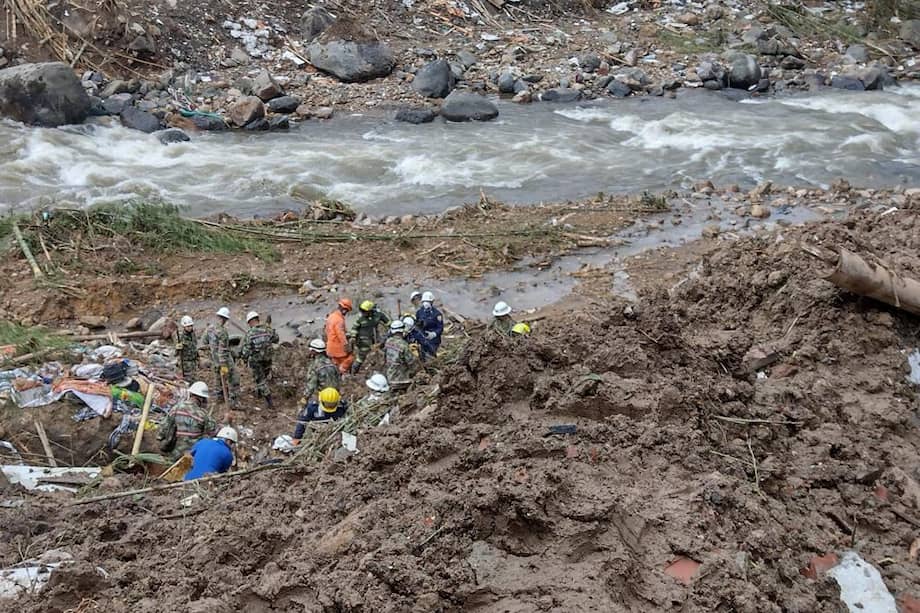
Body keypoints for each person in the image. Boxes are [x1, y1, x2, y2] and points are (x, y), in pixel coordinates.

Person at [158, 381, 218, 459]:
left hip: (176, 454)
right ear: (202, 399)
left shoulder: (176, 408)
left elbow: (163, 430)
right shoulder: (203, 414)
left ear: (190, 394)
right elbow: (213, 432)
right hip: (194, 455)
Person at [240, 311, 279, 409]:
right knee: (264, 376)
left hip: (256, 361)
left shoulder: (250, 334)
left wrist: (244, 359)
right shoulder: (267, 329)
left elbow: (246, 350)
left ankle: (270, 402)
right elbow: (276, 339)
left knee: (260, 380)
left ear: (251, 321)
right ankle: (260, 392)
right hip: (268, 359)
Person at [348, 300, 391, 373]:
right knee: (361, 357)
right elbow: (354, 328)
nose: (363, 313)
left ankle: (384, 367)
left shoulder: (378, 315)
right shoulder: (360, 318)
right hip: (363, 340)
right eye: (363, 311)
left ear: (370, 311)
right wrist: (353, 337)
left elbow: (388, 323)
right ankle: (354, 371)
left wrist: (391, 330)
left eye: (365, 311)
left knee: (384, 349)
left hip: (375, 337)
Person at [208, 307, 239, 407]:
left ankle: (219, 397)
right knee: (234, 378)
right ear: (225, 319)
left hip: (214, 359)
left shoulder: (210, 328)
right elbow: (223, 350)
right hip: (224, 360)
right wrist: (224, 365)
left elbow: (205, 341)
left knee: (218, 379)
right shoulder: (222, 332)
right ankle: (233, 402)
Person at [302, 338, 341, 404]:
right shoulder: (332, 363)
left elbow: (311, 385)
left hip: (324, 396)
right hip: (335, 395)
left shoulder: (316, 366)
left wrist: (305, 397)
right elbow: (338, 379)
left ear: (314, 351)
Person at [384, 319, 418, 387]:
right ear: (402, 331)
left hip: (389, 378)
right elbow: (412, 363)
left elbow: (385, 358)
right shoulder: (403, 345)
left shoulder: (388, 341)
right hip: (401, 380)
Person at [325, 298, 354, 374]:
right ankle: (341, 373)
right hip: (338, 349)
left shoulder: (331, 316)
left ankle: (337, 374)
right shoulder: (339, 320)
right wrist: (346, 346)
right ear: (344, 310)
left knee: (335, 365)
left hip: (330, 347)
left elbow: (327, 331)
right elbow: (340, 334)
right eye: (347, 311)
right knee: (350, 358)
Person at [415, 291, 444, 357]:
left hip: (433, 340)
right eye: (424, 301)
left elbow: (440, 328)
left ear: (432, 302)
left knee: (431, 354)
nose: (426, 303)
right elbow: (416, 324)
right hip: (422, 337)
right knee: (422, 354)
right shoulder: (419, 312)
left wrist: (434, 334)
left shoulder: (437, 314)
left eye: (428, 301)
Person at [176, 315, 199, 382]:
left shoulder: (192, 334)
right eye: (188, 326)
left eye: (191, 326)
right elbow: (176, 353)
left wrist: (198, 357)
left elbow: (195, 346)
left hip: (193, 361)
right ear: (184, 327)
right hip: (186, 363)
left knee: (194, 377)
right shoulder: (181, 337)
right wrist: (177, 348)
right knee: (188, 379)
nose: (190, 328)